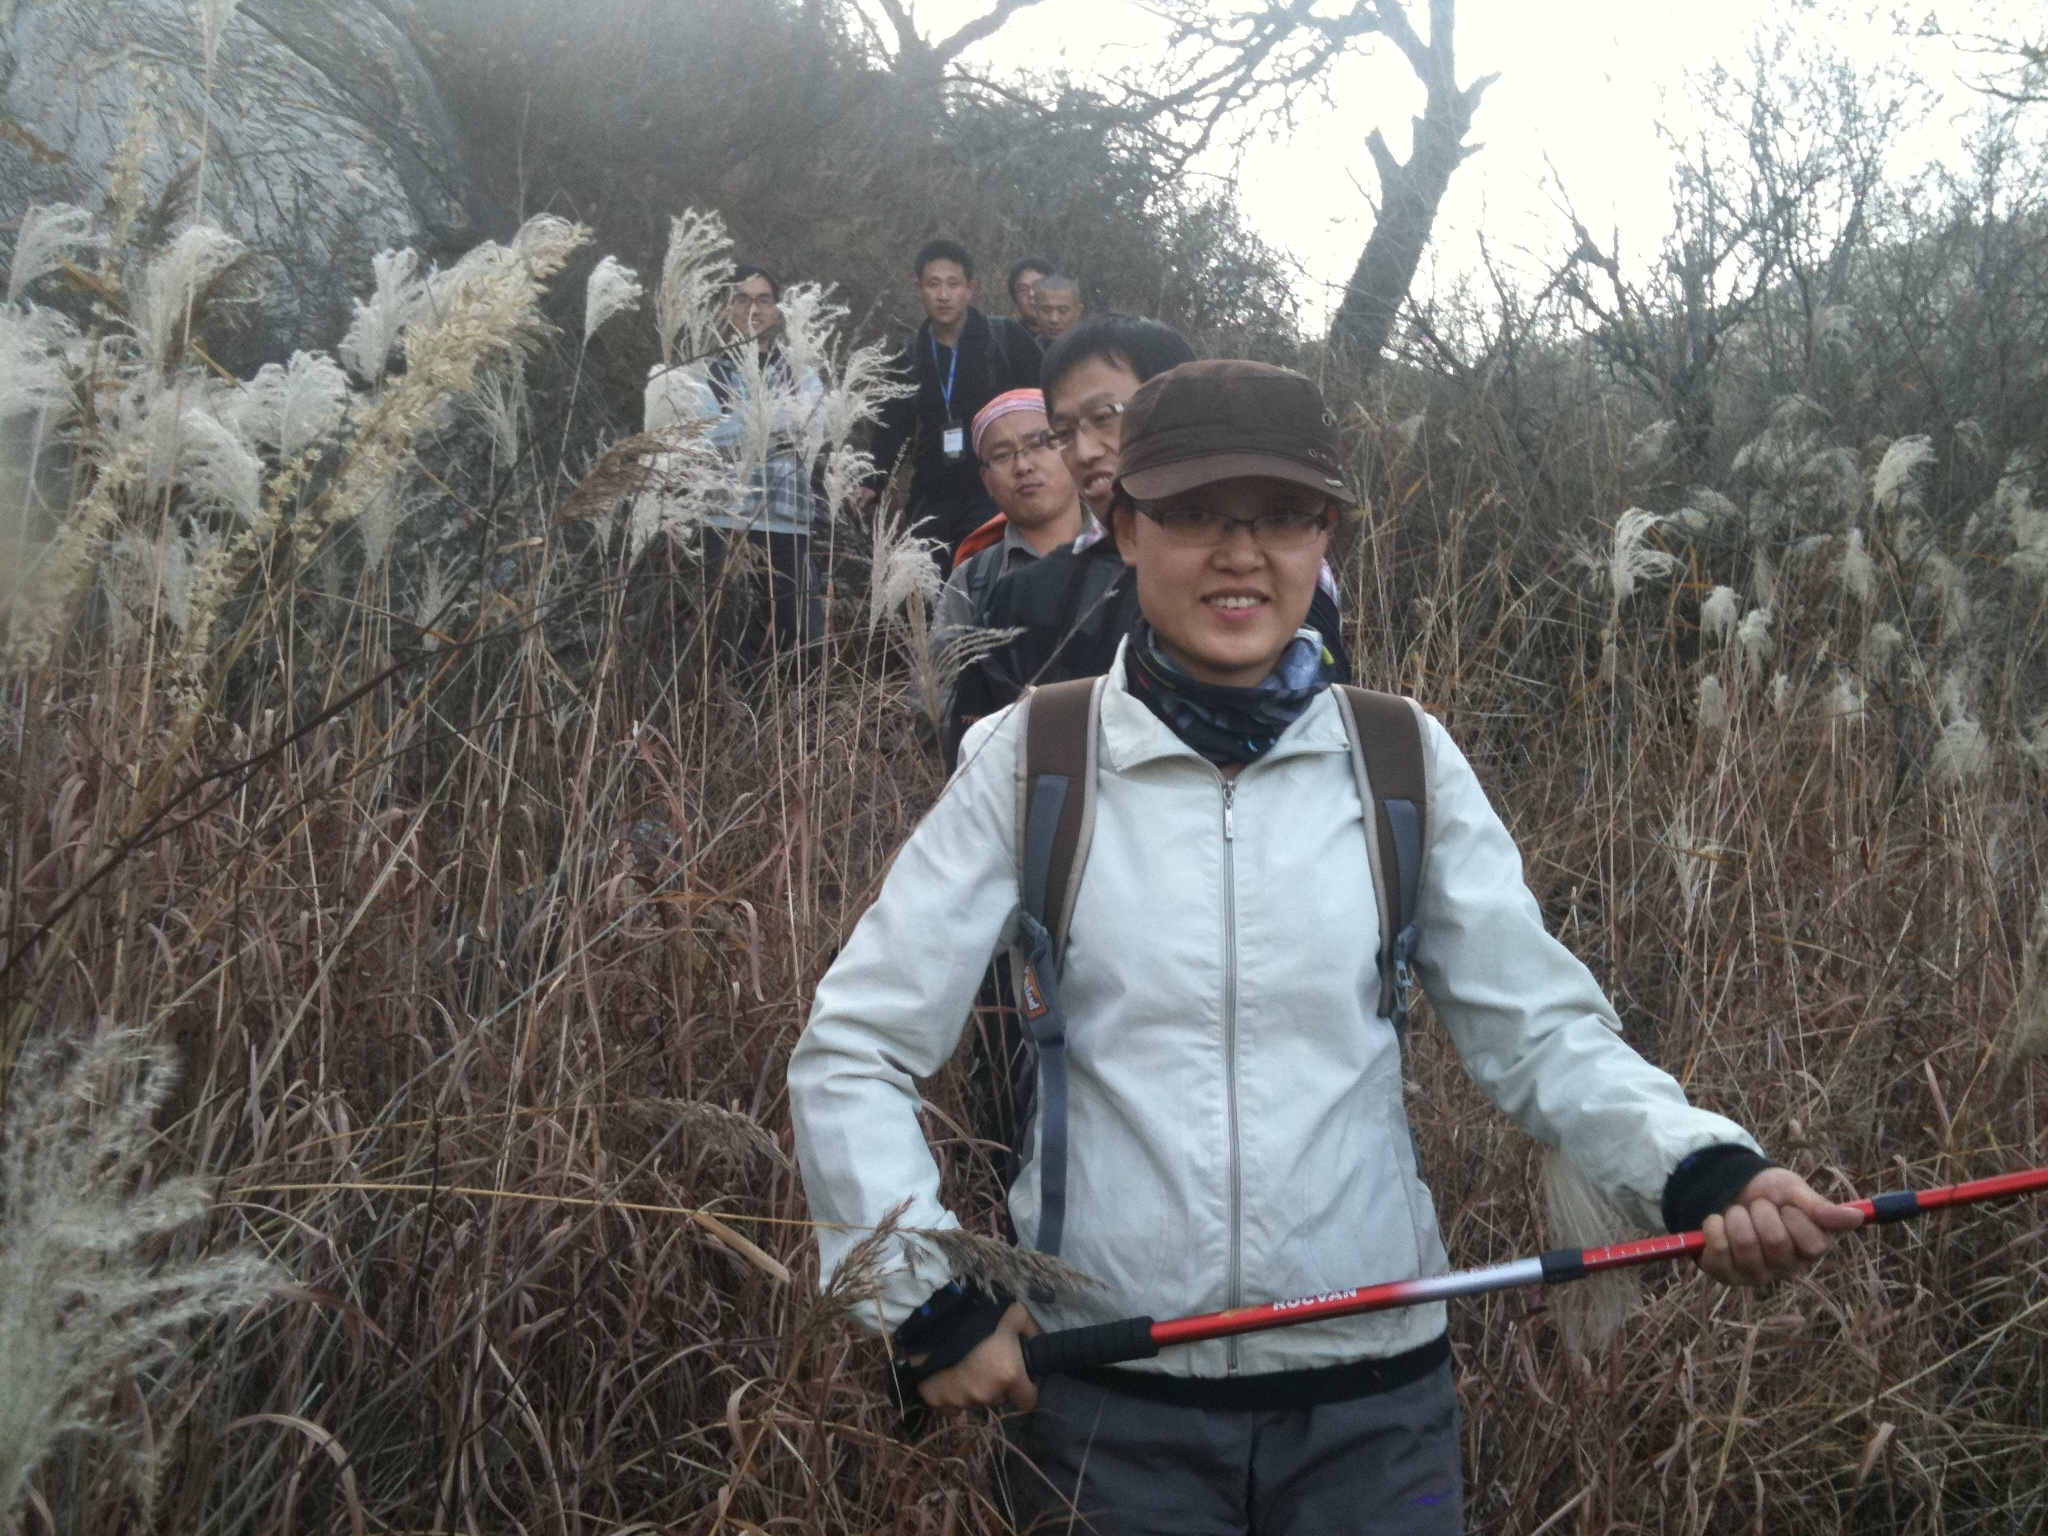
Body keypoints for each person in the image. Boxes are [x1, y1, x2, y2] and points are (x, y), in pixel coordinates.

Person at [788, 359, 1865, 1535]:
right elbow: (856, 1045)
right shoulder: (1030, 757)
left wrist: (1700, 1167)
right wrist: (922, 1299)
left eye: (1282, 516)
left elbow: (1539, 1031)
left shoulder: (1401, 759)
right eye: (1194, 514)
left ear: (1323, 538)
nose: (1239, 554)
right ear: (1125, 530)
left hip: (1377, 1413)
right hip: (1102, 1408)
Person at [640, 263, 824, 679]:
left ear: (777, 310)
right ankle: (741, 713)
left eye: (763, 300)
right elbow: (705, 435)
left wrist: (741, 424)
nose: (753, 309)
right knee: (731, 639)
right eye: (742, 299)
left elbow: (815, 425)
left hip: (788, 518)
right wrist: (772, 424)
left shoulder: (800, 371)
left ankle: (801, 712)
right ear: (726, 309)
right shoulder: (704, 372)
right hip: (725, 519)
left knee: (802, 638)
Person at [863, 239, 1042, 563]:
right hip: (932, 494)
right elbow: (892, 424)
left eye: (953, 284)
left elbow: (1043, 399)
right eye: (933, 284)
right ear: (919, 289)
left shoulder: (1003, 338)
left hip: (995, 489)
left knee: (985, 577)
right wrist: (872, 481)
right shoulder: (909, 353)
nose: (943, 295)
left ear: (970, 289)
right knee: (930, 587)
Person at [933, 390, 1083, 766]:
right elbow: (936, 700)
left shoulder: (1131, 552)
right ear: (986, 479)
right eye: (1002, 455)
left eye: (1039, 443)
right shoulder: (973, 580)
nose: (1023, 465)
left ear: (1069, 448)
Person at [1007, 255, 1053, 344]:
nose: (1031, 294)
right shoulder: (1006, 339)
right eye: (1023, 289)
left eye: (1038, 286)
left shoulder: (1071, 338)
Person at [1032, 274, 1084, 343]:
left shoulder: (1093, 348)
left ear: (1078, 312)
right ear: (1035, 310)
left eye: (1063, 311)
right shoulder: (1026, 347)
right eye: (1046, 311)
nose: (1054, 319)